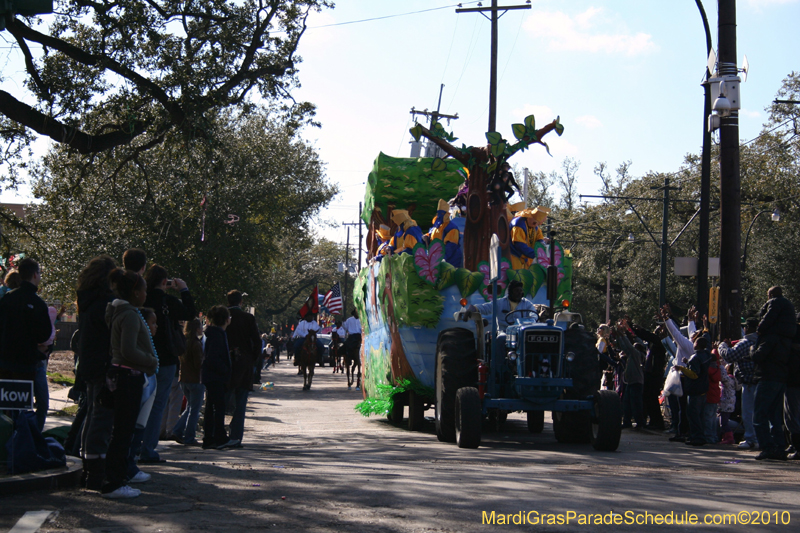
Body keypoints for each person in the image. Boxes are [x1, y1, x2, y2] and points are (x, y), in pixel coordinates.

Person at [102, 269, 158, 499]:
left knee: (121, 432)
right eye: (144, 290)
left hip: (121, 375)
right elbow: (128, 349)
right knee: (123, 433)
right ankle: (113, 482)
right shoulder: (131, 316)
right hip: (128, 377)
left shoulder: (119, 312)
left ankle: (117, 478)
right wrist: (151, 361)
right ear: (135, 293)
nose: (146, 295)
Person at [138, 264, 197, 463]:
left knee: (138, 402)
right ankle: (147, 448)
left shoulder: (141, 299)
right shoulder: (168, 301)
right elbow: (190, 313)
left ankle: (133, 445)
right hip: (165, 358)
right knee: (157, 404)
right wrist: (183, 290)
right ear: (165, 282)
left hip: (139, 356)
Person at [751, 286, 796, 460]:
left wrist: (751, 351)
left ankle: (767, 447)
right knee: (775, 417)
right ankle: (779, 447)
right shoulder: (786, 339)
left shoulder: (770, 337)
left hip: (767, 377)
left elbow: (758, 356)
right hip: (781, 378)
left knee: (759, 414)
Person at [0, 258, 52, 382]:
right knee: (24, 396)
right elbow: (44, 335)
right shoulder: (37, 303)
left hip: (4, 360)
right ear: (35, 274)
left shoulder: (7, 299)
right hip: (26, 362)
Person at [225, 290, 261, 449]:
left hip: (225, 363)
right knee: (240, 402)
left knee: (222, 401)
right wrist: (251, 360)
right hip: (243, 364)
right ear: (241, 302)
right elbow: (257, 342)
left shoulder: (221, 315)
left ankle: (218, 433)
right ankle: (235, 436)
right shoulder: (248, 318)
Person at [718, 317, 760, 450]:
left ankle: (750, 438)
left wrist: (722, 346)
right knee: (760, 412)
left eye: (745, 327)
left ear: (749, 328)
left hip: (748, 381)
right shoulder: (761, 340)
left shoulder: (746, 342)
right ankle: (759, 439)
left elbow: (730, 356)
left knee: (748, 412)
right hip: (761, 381)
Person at [202, 305, 232, 450]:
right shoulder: (217, 334)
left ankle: (209, 437)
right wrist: (225, 369)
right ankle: (219, 437)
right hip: (215, 376)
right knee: (218, 407)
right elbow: (212, 357)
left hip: (211, 376)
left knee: (211, 407)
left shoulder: (213, 333)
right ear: (226, 320)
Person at [675, 336, 713, 446]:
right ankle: (701, 435)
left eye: (695, 342)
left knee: (693, 415)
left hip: (695, 390)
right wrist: (688, 363)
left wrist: (682, 368)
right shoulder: (706, 354)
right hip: (703, 389)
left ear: (697, 345)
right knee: (700, 415)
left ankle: (697, 437)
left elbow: (694, 374)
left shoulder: (695, 357)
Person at [172, 318, 205, 446]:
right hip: (196, 380)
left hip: (184, 379)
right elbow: (198, 364)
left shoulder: (184, 342)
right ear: (197, 329)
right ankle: (189, 437)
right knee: (194, 410)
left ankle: (178, 430)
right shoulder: (196, 344)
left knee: (190, 407)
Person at [470, 280, 538, 333]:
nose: (519, 293)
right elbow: (485, 308)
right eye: (516, 291)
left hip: (521, 331)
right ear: (510, 292)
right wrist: (473, 308)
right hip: (504, 332)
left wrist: (528, 321)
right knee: (501, 339)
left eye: (521, 291)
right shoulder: (499, 303)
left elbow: (534, 315)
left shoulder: (527, 304)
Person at [615, 322, 646, 430]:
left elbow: (628, 346)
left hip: (636, 382)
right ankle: (627, 421)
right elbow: (625, 347)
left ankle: (640, 422)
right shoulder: (632, 355)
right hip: (630, 381)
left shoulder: (637, 355)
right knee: (627, 402)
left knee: (636, 403)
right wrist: (619, 337)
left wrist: (623, 335)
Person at [426, 199, 463, 268]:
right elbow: (432, 236)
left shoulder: (452, 227)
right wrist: (426, 237)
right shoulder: (436, 226)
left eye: (442, 213)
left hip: (450, 260)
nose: (439, 216)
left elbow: (451, 246)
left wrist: (441, 257)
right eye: (438, 213)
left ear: (447, 214)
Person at [343, 309, 362, 390]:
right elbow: (345, 328)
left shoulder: (361, 319)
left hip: (359, 337)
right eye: (356, 312)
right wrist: (343, 322)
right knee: (345, 347)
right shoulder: (349, 320)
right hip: (352, 337)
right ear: (354, 313)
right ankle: (347, 359)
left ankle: (358, 383)